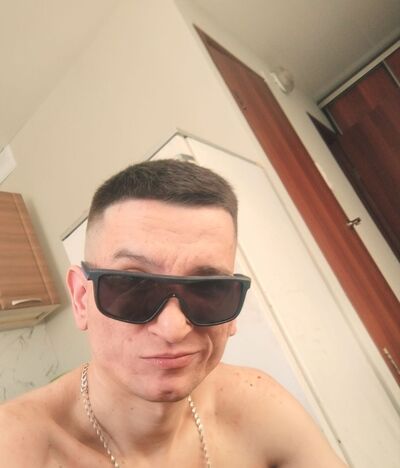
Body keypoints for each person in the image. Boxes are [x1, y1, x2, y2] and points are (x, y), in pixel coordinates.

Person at [0, 159, 346, 467]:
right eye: (133, 286)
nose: (173, 328)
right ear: (80, 299)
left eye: (207, 288)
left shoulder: (259, 405)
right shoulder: (16, 448)